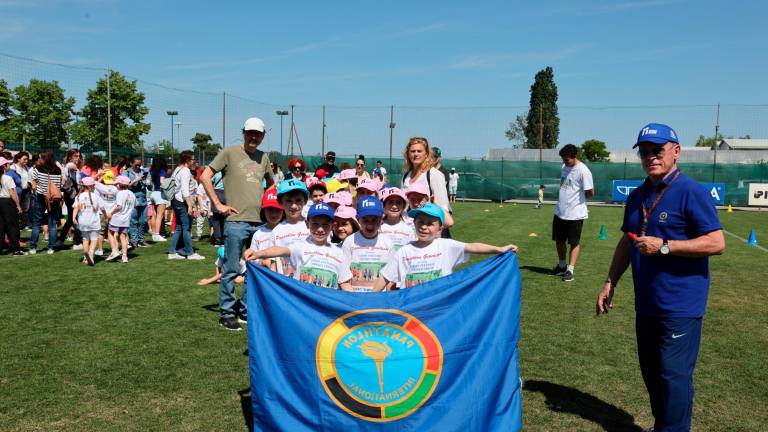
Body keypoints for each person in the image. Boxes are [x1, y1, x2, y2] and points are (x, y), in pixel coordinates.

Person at [596, 123, 724, 432]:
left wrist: (665, 246)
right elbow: (628, 240)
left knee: (673, 375)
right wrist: (611, 281)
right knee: (653, 373)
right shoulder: (638, 195)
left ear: (676, 152)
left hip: (681, 304)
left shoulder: (691, 192)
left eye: (658, 150)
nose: (651, 156)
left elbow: (717, 243)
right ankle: (665, 424)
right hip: (648, 302)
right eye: (645, 152)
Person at [200, 116, 274, 331]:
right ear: (243, 132)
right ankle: (227, 313)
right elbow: (205, 176)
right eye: (250, 132)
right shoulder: (229, 152)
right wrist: (218, 205)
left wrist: (269, 208)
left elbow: (271, 185)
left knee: (255, 270)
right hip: (235, 221)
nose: (253, 137)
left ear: (262, 136)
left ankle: (245, 310)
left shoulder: (264, 158)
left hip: (259, 223)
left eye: (257, 134)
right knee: (231, 270)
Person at [374, 203, 517, 291]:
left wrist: (499, 249)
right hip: (412, 307)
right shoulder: (404, 250)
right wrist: (367, 300)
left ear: (440, 229)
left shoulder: (446, 246)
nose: (424, 227)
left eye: (430, 224)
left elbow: (472, 247)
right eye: (420, 222)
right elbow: (385, 277)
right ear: (415, 224)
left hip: (439, 307)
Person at [244, 202, 353, 291]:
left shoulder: (339, 253)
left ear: (333, 226)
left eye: (325, 225)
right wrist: (258, 253)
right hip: (302, 307)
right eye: (315, 224)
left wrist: (359, 305)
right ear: (307, 224)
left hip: (326, 309)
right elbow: (279, 249)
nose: (320, 229)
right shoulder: (300, 247)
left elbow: (345, 284)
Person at [551, 143, 594, 282]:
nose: (564, 162)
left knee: (574, 242)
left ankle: (570, 270)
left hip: (575, 214)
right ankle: (562, 265)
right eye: (563, 159)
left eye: (567, 159)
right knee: (559, 240)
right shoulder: (564, 167)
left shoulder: (583, 170)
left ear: (574, 156)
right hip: (560, 212)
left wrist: (577, 200)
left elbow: (590, 192)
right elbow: (564, 185)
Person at [342, 196, 393, 292]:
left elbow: (390, 277)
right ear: (357, 219)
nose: (370, 224)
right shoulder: (349, 242)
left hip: (379, 298)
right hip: (356, 297)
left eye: (374, 220)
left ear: (381, 219)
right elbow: (344, 276)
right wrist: (354, 298)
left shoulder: (388, 243)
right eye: (365, 220)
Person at [402, 137, 452, 229]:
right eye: (412, 151)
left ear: (426, 154)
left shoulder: (434, 175)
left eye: (419, 151)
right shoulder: (406, 176)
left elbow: (443, 207)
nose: (416, 154)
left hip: (426, 228)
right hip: (408, 228)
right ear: (408, 154)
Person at [167, 150, 204, 261]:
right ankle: (189, 252)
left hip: (175, 201)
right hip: (182, 202)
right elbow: (185, 190)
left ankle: (173, 251)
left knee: (178, 227)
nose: (194, 161)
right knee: (186, 228)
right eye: (193, 159)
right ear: (187, 159)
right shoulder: (186, 171)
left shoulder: (177, 169)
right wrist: (189, 205)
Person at [29, 150, 62, 255]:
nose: (39, 159)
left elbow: (33, 182)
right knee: (52, 224)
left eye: (40, 157)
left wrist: (37, 189)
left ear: (44, 158)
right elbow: (59, 185)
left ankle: (33, 247)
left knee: (36, 223)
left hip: (40, 197)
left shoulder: (38, 169)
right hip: (54, 199)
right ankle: (51, 248)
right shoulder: (58, 170)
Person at [105, 175, 135, 263]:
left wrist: (111, 213)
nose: (115, 185)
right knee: (123, 236)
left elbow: (119, 206)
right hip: (126, 219)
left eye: (117, 184)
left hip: (117, 218)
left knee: (110, 233)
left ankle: (114, 251)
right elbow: (134, 205)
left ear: (120, 184)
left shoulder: (120, 193)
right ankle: (124, 257)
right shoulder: (132, 194)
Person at [73, 176, 102, 265]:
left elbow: (75, 208)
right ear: (91, 186)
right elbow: (102, 208)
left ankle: (86, 256)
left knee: (85, 239)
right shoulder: (96, 196)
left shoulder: (78, 196)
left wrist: (73, 218)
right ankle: (91, 253)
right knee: (94, 239)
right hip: (93, 221)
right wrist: (106, 215)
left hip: (82, 221)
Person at [0, 156, 24, 256]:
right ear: (4, 167)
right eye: (7, 164)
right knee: (12, 226)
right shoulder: (8, 178)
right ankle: (16, 249)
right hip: (7, 202)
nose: (9, 165)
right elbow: (13, 193)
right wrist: (18, 206)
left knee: (0, 226)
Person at [124, 156, 150, 248]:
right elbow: (125, 186)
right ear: (131, 163)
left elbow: (149, 185)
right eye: (136, 165)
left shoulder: (143, 172)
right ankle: (134, 240)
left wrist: (148, 182)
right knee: (133, 220)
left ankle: (141, 240)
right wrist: (136, 180)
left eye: (140, 165)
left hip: (143, 198)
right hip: (132, 199)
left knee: (143, 220)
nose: (138, 167)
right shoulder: (126, 172)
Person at [59, 149, 82, 249]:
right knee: (76, 218)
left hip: (74, 195)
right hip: (71, 195)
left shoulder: (73, 166)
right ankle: (77, 242)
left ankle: (60, 240)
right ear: (70, 157)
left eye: (79, 156)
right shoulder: (70, 165)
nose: (78, 158)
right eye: (76, 156)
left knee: (71, 220)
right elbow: (71, 168)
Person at [149, 156, 169, 242]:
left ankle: (154, 234)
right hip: (160, 194)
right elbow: (162, 182)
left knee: (154, 215)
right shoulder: (162, 171)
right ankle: (157, 234)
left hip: (152, 193)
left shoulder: (151, 170)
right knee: (160, 216)